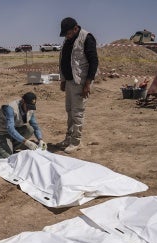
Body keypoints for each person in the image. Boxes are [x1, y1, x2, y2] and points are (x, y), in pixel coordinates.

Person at [57, 17, 98, 153]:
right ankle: (68, 138)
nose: (67, 36)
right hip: (69, 81)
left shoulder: (86, 38)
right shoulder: (68, 40)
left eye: (68, 33)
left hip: (80, 82)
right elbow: (64, 60)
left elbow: (94, 62)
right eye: (65, 34)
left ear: (76, 28)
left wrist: (87, 84)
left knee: (77, 113)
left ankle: (76, 141)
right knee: (69, 111)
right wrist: (63, 80)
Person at [0, 92, 46, 158]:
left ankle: (7, 146)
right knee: (7, 157)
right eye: (27, 107)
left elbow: (35, 126)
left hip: (13, 131)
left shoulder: (30, 110)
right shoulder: (10, 108)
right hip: (0, 132)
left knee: (30, 130)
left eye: (31, 107)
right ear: (23, 101)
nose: (28, 109)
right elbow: (10, 129)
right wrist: (25, 142)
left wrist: (40, 140)